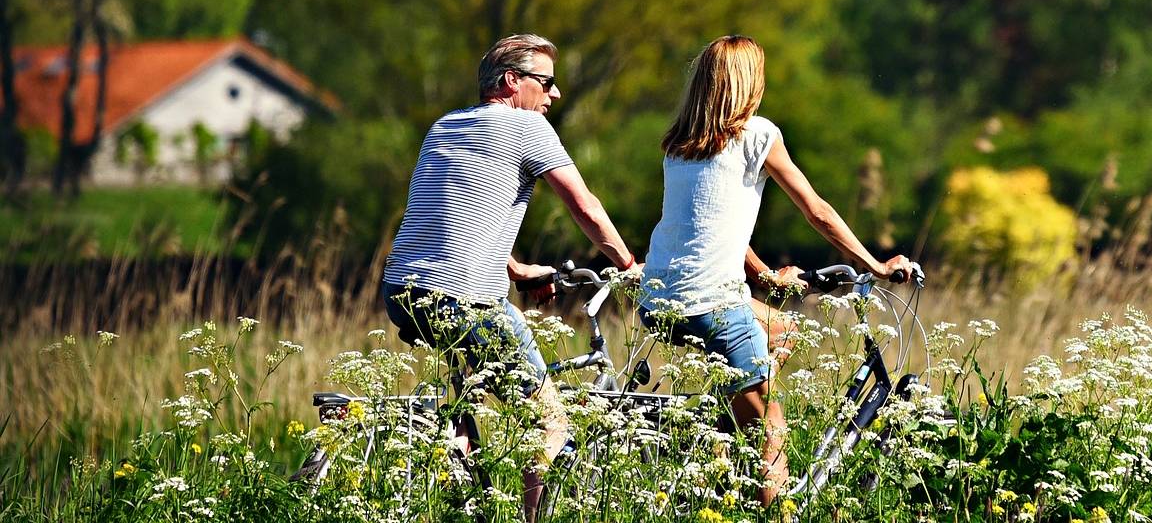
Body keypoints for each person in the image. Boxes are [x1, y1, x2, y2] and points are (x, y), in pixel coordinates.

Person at [640, 34, 915, 506]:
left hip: (658, 296)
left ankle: (726, 437)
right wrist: (876, 264)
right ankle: (772, 503)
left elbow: (710, 223)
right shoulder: (759, 135)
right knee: (773, 431)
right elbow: (817, 211)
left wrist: (764, 277)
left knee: (780, 327)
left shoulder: (679, 145)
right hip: (712, 302)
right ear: (750, 84)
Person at [380, 33, 637, 522]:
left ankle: (463, 500)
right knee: (550, 424)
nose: (554, 95)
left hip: (402, 290)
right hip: (463, 298)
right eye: (546, 83)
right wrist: (628, 264)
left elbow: (454, 216)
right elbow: (584, 206)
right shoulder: (526, 128)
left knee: (461, 416)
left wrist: (518, 269)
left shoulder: (444, 126)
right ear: (510, 82)